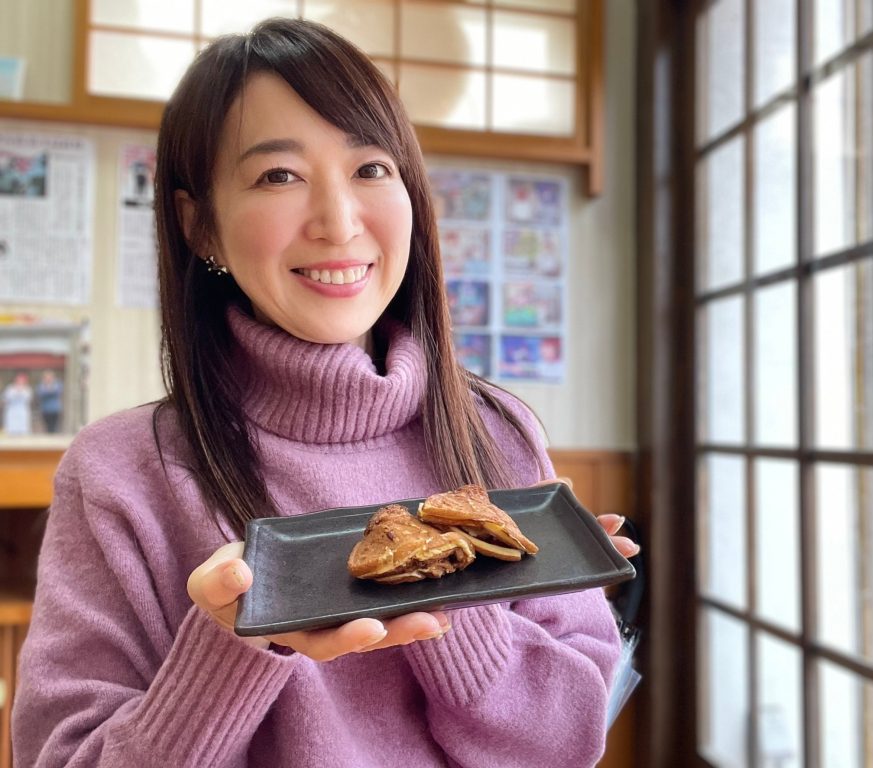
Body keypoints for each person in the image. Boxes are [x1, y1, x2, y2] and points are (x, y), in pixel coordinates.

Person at [13, 18, 639, 768]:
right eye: (279, 176)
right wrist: (229, 644)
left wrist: (444, 588)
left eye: (370, 167)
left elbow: (567, 744)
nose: (339, 222)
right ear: (199, 224)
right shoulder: (119, 474)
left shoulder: (495, 431)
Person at [35, 369, 63, 434]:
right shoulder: (41, 385)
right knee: (47, 428)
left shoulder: (57, 384)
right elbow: (40, 393)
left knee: (54, 427)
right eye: (47, 377)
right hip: (45, 409)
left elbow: (57, 391)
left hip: (55, 409)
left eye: (50, 377)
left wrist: (48, 391)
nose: (48, 378)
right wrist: (50, 391)